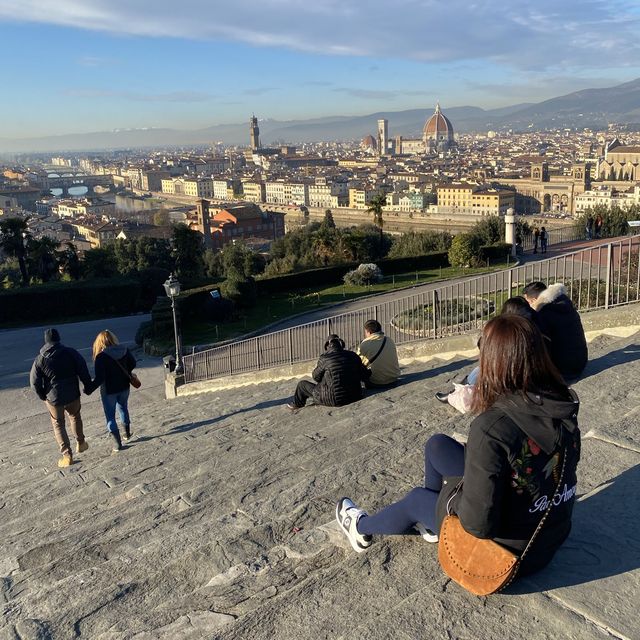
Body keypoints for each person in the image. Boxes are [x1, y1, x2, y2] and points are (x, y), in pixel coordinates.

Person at [336, 315, 581, 580]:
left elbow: (478, 526)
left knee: (416, 499)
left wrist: (457, 493)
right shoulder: (561, 401)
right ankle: (431, 525)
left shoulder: (492, 427)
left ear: (493, 361)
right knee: (437, 445)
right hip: (551, 529)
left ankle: (361, 528)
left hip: (508, 554)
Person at [435, 296, 535, 407]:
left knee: (482, 370)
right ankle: (459, 391)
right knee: (480, 370)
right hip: (521, 371)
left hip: (517, 372)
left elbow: (484, 346)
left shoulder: (510, 329)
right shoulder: (533, 324)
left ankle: (459, 393)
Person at [30, 328, 92, 467]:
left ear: (46, 341)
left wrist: (42, 395)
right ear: (59, 339)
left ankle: (67, 455)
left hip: (53, 398)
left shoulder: (40, 359)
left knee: (58, 424)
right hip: (73, 394)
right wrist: (87, 386)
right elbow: (83, 369)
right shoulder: (71, 353)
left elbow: (34, 382)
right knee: (75, 417)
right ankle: (81, 443)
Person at [523, 281, 588, 381]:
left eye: (528, 302)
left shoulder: (544, 314)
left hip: (562, 371)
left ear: (535, 300)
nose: (528, 306)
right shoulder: (564, 303)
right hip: (579, 363)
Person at [287, 334, 370, 410]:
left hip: (332, 399)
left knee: (302, 385)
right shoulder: (353, 355)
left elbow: (316, 377)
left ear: (327, 346)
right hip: (355, 395)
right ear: (341, 344)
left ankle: (296, 404)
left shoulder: (324, 359)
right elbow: (364, 374)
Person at [85, 330, 137, 451]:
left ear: (99, 342)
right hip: (124, 386)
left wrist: (89, 389)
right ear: (113, 338)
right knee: (123, 408)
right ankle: (127, 434)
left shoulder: (101, 357)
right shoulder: (124, 349)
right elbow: (133, 363)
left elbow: (100, 378)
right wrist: (127, 371)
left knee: (110, 416)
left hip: (109, 390)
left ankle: (118, 444)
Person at [356, 319, 400, 388]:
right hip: (394, 378)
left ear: (368, 332)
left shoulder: (365, 343)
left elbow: (356, 361)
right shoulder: (389, 340)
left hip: (377, 382)